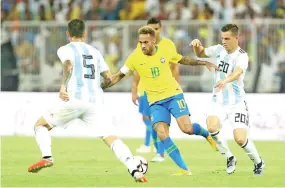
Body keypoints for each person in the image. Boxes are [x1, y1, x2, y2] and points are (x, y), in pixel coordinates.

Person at [27, 19, 147, 183]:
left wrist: (63, 86)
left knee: (40, 125)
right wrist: (97, 87)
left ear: (67, 33)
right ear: (85, 33)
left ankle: (47, 157)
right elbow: (108, 78)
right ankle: (135, 170)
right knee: (111, 137)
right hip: (95, 103)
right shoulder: (95, 51)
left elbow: (68, 65)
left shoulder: (65, 49)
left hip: (73, 99)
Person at [102, 26, 218, 175]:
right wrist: (101, 86)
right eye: (140, 42)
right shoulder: (134, 57)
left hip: (173, 95)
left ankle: (206, 134)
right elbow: (118, 75)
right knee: (161, 132)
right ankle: (184, 169)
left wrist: (203, 62)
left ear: (153, 41)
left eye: (146, 42)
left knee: (187, 129)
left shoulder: (165, 51)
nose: (143, 45)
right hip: (155, 102)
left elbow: (183, 59)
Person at [190, 24, 265, 176]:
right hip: (218, 100)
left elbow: (237, 72)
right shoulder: (218, 49)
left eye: (227, 38)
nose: (224, 41)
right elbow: (202, 53)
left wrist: (225, 80)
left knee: (240, 139)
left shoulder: (242, 56)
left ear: (237, 38)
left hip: (236, 104)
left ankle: (258, 162)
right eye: (222, 38)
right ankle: (229, 157)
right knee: (212, 128)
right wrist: (196, 45)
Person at [133, 18, 180, 163]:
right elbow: (136, 68)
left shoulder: (168, 45)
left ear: (161, 29)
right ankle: (156, 148)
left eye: (157, 28)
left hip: (164, 90)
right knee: (149, 120)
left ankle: (160, 152)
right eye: (151, 28)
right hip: (145, 90)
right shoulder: (141, 45)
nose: (154, 31)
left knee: (160, 122)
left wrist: (176, 85)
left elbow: (175, 66)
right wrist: (134, 90)